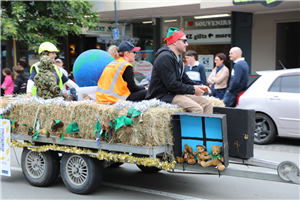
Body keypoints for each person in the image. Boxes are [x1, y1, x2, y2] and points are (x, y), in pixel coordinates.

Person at [145, 27, 213, 114]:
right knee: (197, 109)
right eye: (184, 41)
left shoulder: (177, 59)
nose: (187, 44)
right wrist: (193, 89)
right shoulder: (165, 57)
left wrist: (199, 86)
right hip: (163, 95)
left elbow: (184, 79)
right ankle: (193, 128)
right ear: (174, 42)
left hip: (174, 93)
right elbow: (171, 85)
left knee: (207, 104)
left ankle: (205, 128)